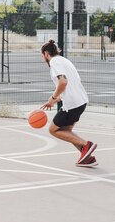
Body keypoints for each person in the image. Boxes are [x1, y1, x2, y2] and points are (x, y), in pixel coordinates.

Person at [40, 39, 97, 167]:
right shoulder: (64, 60)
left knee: (53, 130)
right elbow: (70, 86)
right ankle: (87, 157)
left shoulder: (54, 62)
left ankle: (87, 145)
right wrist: (53, 102)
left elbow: (63, 83)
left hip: (72, 104)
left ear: (46, 54)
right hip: (81, 101)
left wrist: (53, 97)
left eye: (42, 56)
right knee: (66, 131)